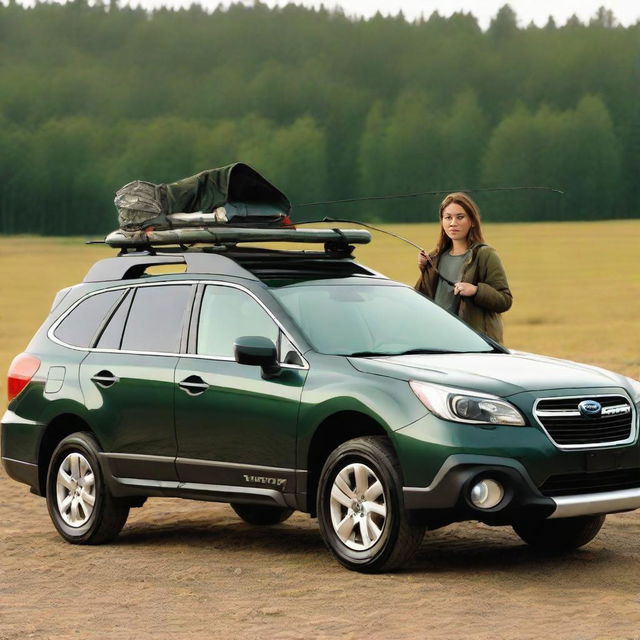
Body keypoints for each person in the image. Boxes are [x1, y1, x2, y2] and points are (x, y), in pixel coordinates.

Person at [415, 192, 512, 344]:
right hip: (439, 342)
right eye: (448, 218)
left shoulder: (485, 254)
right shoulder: (435, 257)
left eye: (460, 217)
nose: (453, 223)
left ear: (472, 221)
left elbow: (504, 301)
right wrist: (424, 269)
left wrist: (476, 291)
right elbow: (421, 302)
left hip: (475, 344)